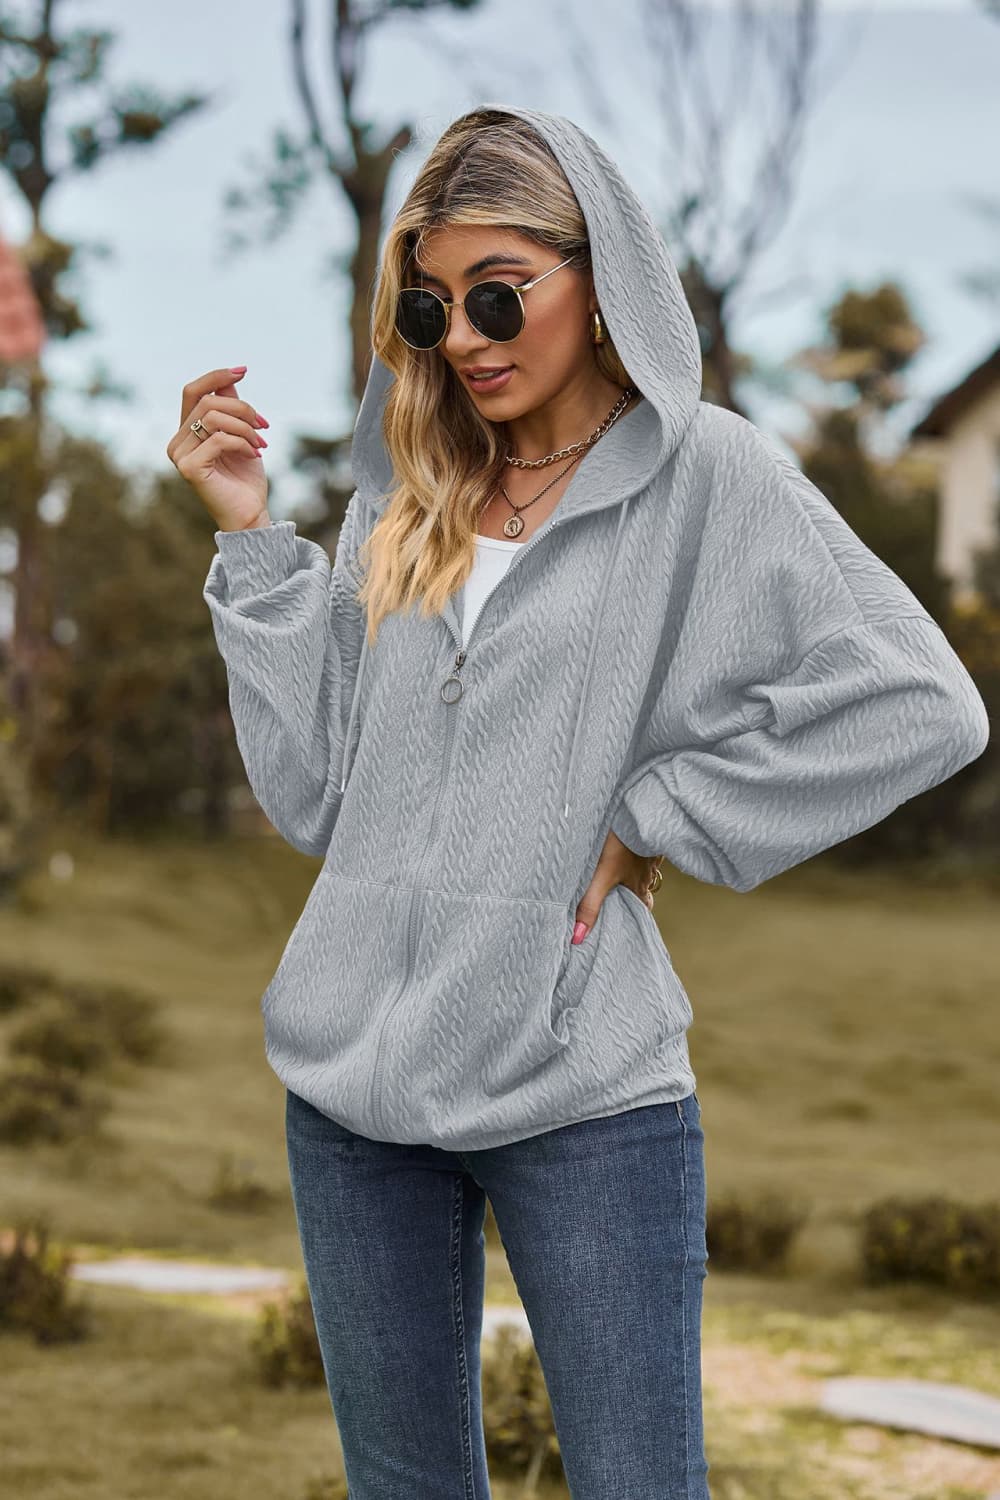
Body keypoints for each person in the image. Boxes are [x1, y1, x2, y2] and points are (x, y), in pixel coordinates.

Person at [168, 103, 989, 1500]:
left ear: (597, 273)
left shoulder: (711, 474)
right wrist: (250, 535)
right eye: (431, 307)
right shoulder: (409, 485)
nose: (466, 338)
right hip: (353, 1101)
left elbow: (923, 699)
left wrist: (668, 809)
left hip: (581, 1092)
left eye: (499, 294)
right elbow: (316, 795)